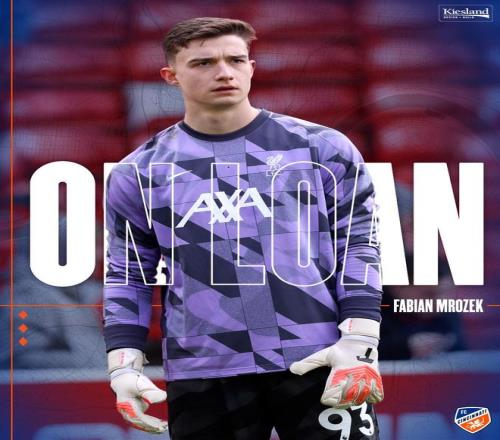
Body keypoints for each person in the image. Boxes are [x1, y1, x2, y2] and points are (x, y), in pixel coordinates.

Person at [103, 17, 384, 440]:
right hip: (203, 369)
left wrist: (360, 340)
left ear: (251, 67)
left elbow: (359, 246)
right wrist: (122, 365)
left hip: (323, 357)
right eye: (203, 63)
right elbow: (128, 273)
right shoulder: (139, 172)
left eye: (235, 60)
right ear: (171, 76)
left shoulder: (322, 148)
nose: (224, 72)